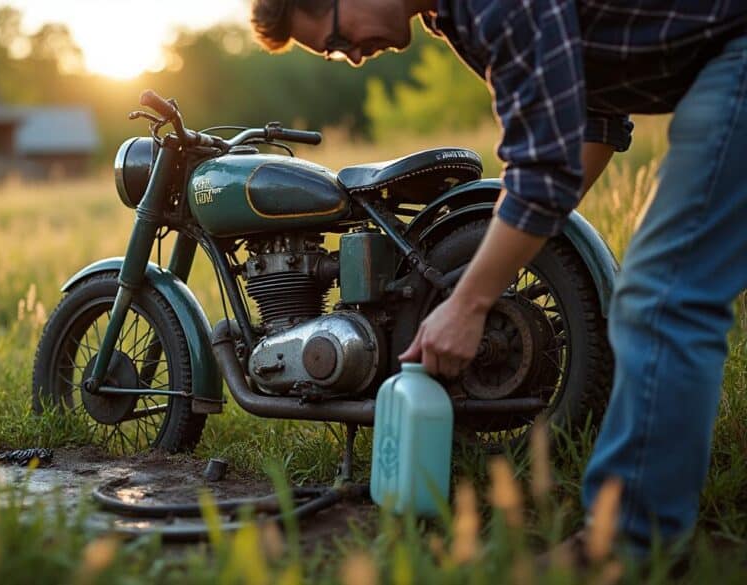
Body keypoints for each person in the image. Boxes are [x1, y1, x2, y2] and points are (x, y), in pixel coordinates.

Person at [250, 0, 747, 561]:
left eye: (337, 40)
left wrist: (469, 303)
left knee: (662, 297)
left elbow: (544, 167)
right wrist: (511, 259)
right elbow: (593, 120)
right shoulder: (453, 15)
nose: (353, 58)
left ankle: (630, 544)